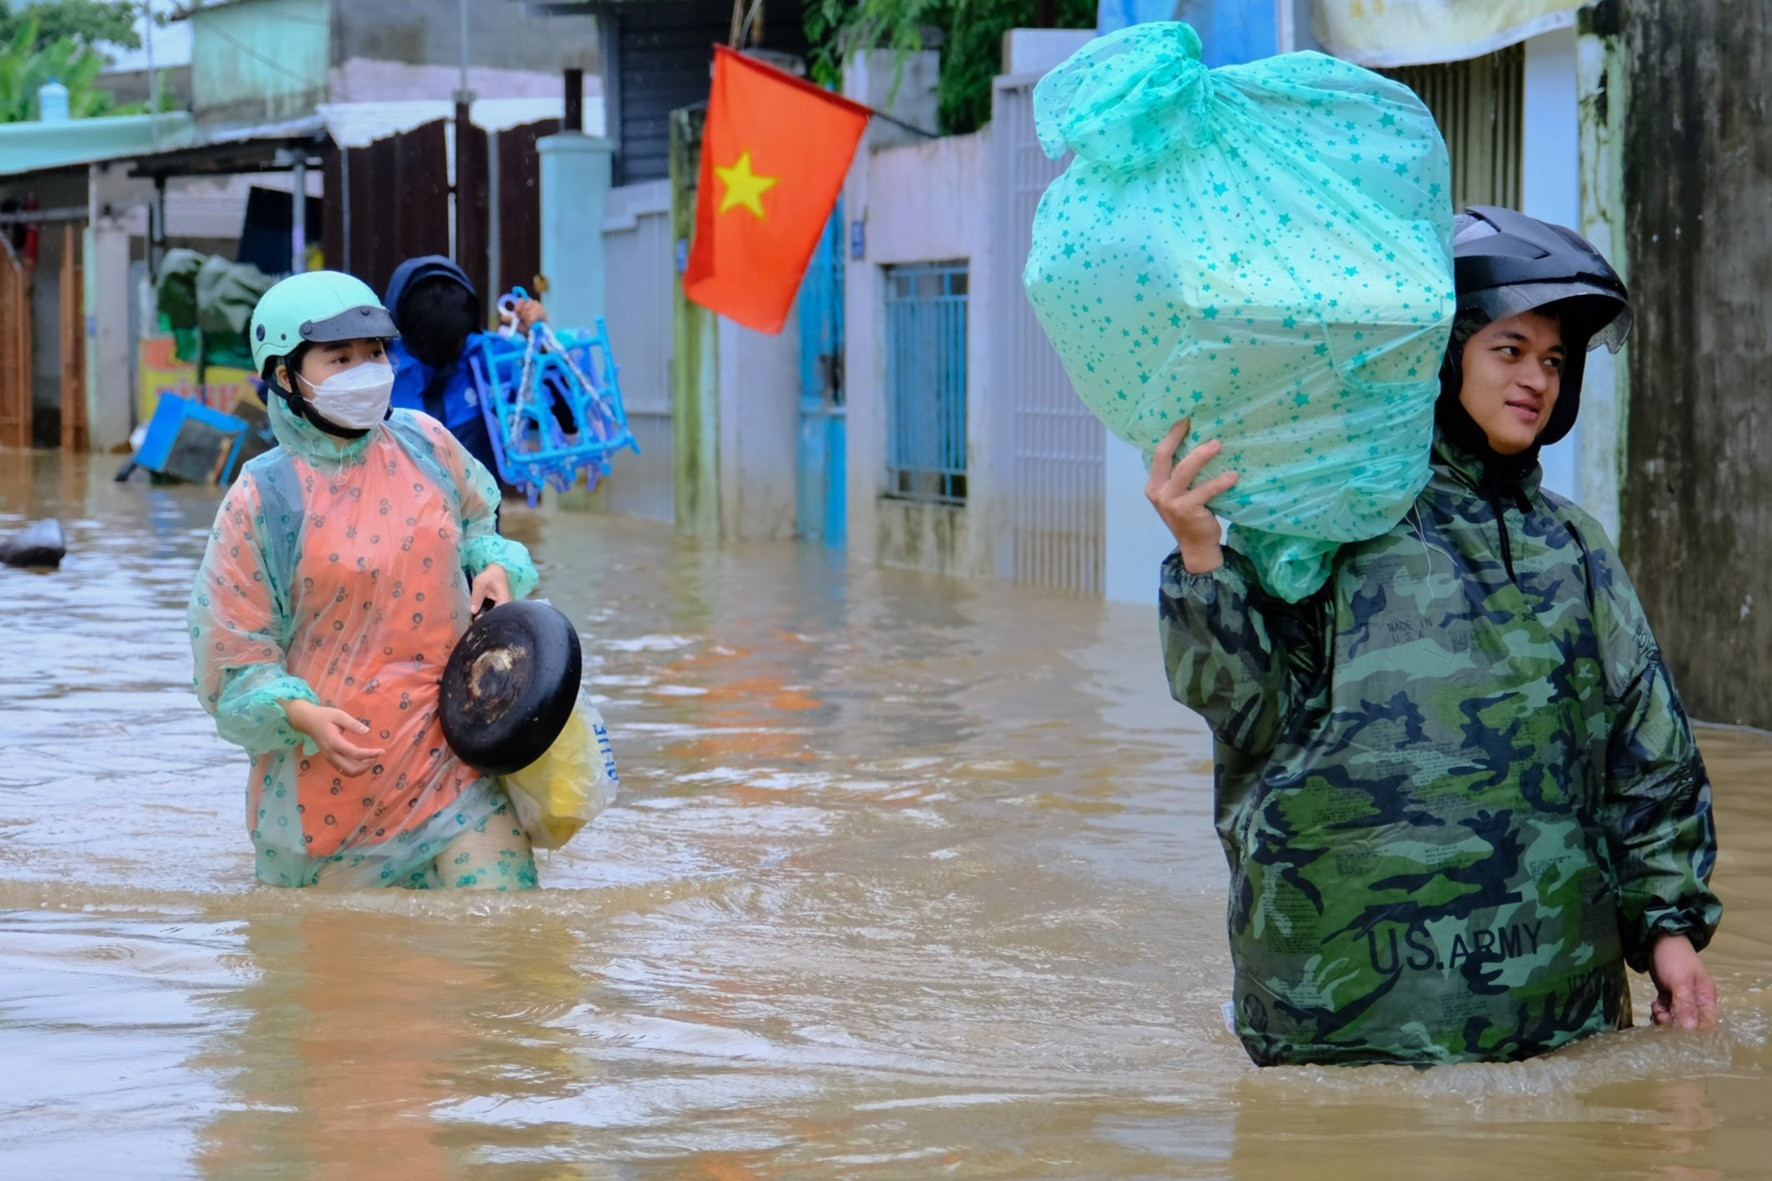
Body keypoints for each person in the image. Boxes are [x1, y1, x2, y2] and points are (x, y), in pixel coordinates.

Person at [1147, 206, 1722, 1066]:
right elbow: (1245, 709)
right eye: (1510, 349)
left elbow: (1649, 757)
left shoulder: (1575, 548)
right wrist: (1202, 559)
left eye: (1555, 360)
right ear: (1442, 356)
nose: (1538, 378)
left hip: (1557, 1024)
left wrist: (1670, 934)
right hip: (1344, 1025)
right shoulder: (1334, 522)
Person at [189, 270, 542, 890]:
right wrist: (301, 714)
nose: (367, 369)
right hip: (333, 787)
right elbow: (234, 655)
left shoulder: (426, 443)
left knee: (507, 942)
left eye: (375, 352)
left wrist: (493, 567)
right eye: (341, 357)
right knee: (350, 978)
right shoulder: (262, 499)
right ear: (283, 376)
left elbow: (479, 524)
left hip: (453, 758)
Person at [382, 255, 546, 482]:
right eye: (432, 340)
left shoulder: (484, 353)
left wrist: (538, 339)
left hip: (476, 510)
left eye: (457, 339)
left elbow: (558, 401)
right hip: (396, 508)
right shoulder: (380, 366)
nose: (448, 349)